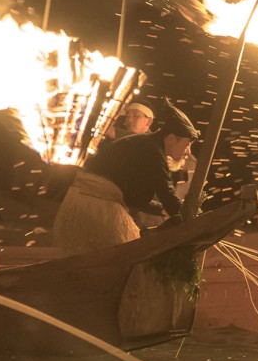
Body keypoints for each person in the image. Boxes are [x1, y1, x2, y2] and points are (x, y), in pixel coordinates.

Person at [52, 99, 199, 255]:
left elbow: (133, 196)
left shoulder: (147, 146)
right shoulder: (152, 151)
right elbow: (167, 194)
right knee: (128, 254)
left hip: (86, 202)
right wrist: (193, 223)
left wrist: (161, 208)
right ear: (171, 138)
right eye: (187, 143)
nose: (188, 151)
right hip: (94, 206)